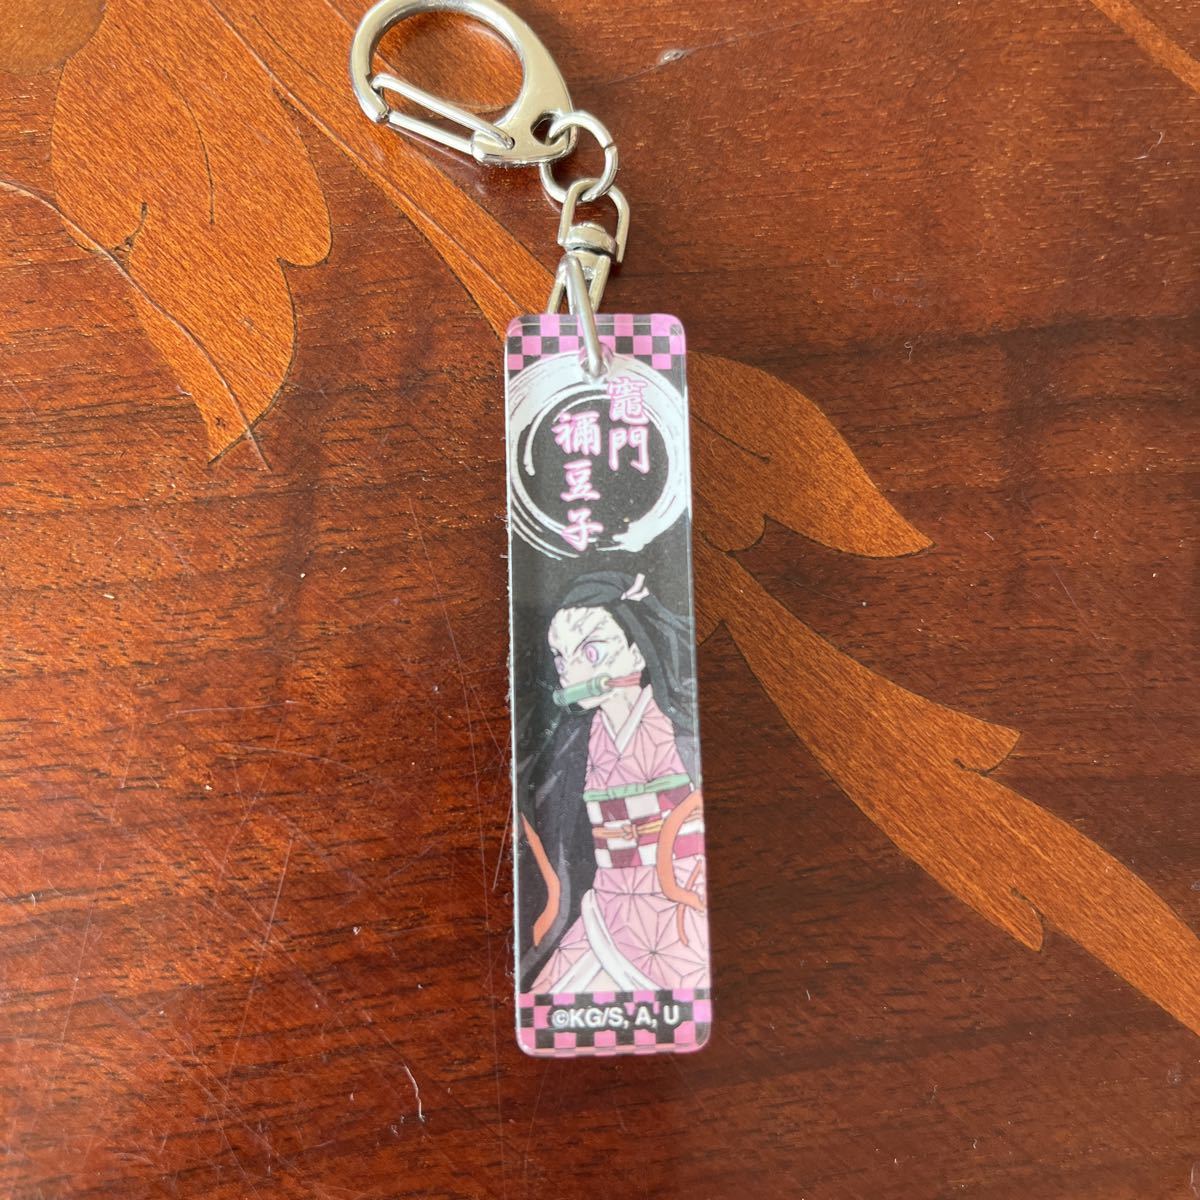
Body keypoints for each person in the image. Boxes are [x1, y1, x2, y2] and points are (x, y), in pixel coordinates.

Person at [516, 571, 708, 994]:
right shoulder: (577, 741)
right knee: (545, 1001)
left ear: (637, 653)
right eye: (561, 658)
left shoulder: (677, 728)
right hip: (605, 907)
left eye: (592, 652)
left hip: (676, 909)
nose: (570, 672)